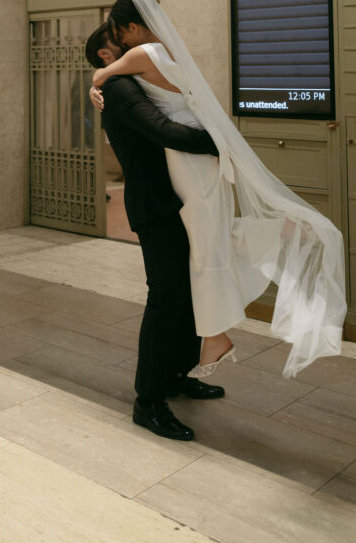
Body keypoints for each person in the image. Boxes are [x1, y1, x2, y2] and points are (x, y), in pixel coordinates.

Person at [91, 0, 347, 380]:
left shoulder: (143, 54)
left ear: (132, 27)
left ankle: (217, 332)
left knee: (207, 246)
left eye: (120, 34)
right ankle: (219, 327)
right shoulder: (169, 52)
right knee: (211, 238)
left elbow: (101, 74)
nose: (122, 43)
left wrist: (95, 85)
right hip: (198, 159)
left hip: (189, 160)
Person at [85, 22, 223, 442]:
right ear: (107, 55)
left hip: (177, 199)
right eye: (122, 41)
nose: (133, 43)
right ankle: (148, 401)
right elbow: (164, 132)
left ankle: (177, 374)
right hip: (155, 205)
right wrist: (221, 141)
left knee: (185, 293)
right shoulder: (118, 89)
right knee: (165, 298)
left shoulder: (126, 82)